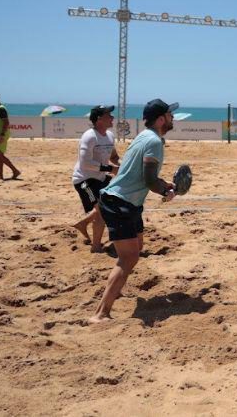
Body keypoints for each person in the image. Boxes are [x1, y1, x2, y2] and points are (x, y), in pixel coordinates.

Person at [88, 99, 178, 323]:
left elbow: (139, 173)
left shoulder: (144, 136)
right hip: (120, 202)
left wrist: (162, 183)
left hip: (126, 201)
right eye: (169, 114)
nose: (173, 117)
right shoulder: (155, 141)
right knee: (128, 258)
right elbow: (148, 179)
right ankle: (101, 313)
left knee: (137, 246)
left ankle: (116, 289)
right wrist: (164, 192)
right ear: (160, 119)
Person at [72, 105, 121, 253]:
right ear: (99, 119)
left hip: (100, 178)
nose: (112, 117)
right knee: (101, 210)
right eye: (109, 115)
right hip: (84, 180)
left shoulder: (110, 135)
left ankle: (85, 225)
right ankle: (95, 246)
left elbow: (113, 156)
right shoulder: (89, 136)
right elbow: (85, 163)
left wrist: (121, 165)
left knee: (107, 208)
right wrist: (111, 169)